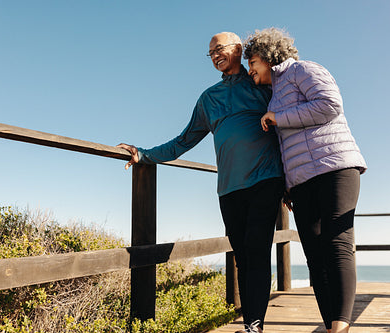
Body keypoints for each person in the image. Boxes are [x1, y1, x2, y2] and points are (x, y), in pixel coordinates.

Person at [117, 32, 284, 333]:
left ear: (237, 49)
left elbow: (288, 126)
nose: (216, 55)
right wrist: (144, 154)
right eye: (210, 53)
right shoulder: (209, 99)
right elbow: (183, 141)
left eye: (220, 48)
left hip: (266, 180)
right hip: (229, 189)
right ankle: (251, 324)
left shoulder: (261, 84)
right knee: (243, 259)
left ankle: (254, 326)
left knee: (258, 251)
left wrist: (292, 180)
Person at [244, 28, 367, 333]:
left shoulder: (303, 69)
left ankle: (340, 327)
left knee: (337, 242)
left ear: (267, 55)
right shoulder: (272, 94)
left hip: (336, 168)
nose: (250, 70)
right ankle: (331, 326)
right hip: (301, 181)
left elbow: (330, 105)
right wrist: (288, 183)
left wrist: (278, 118)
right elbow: (287, 145)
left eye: (253, 62)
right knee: (314, 254)